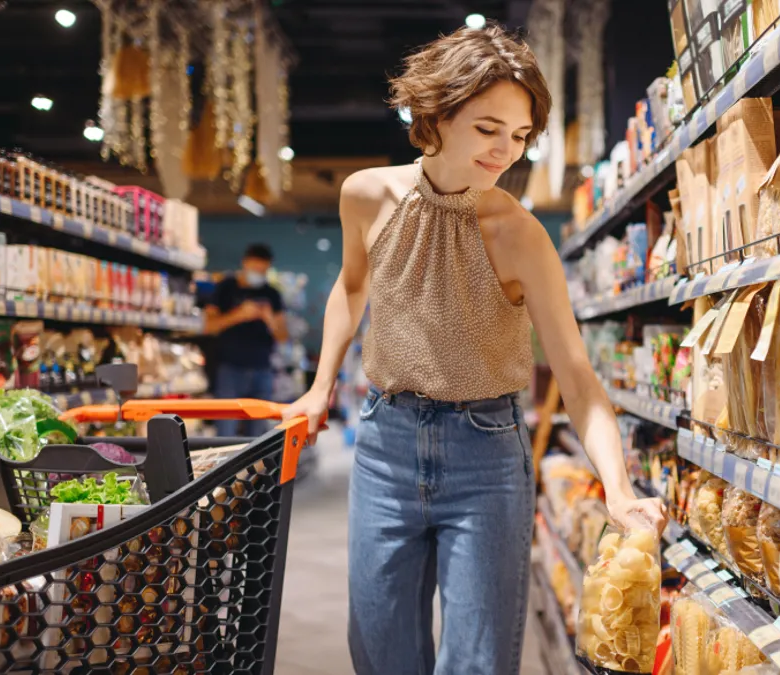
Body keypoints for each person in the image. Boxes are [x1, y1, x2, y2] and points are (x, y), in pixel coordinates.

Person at [282, 23, 666, 675]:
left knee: (479, 661)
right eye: (488, 128)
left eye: (518, 137)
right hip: (385, 445)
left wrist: (619, 484)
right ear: (439, 113)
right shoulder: (366, 195)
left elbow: (575, 370)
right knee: (379, 651)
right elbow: (351, 289)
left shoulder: (520, 234)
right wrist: (320, 385)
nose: (504, 152)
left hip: (485, 453)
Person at [205, 243, 288, 438]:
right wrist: (239, 315)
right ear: (245, 263)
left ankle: (255, 469)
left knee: (257, 434)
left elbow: (283, 336)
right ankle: (225, 468)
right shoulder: (225, 287)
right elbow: (209, 326)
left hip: (262, 370)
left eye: (263, 270)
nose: (258, 274)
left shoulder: (271, 294)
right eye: (255, 269)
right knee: (226, 430)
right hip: (230, 369)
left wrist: (269, 319)